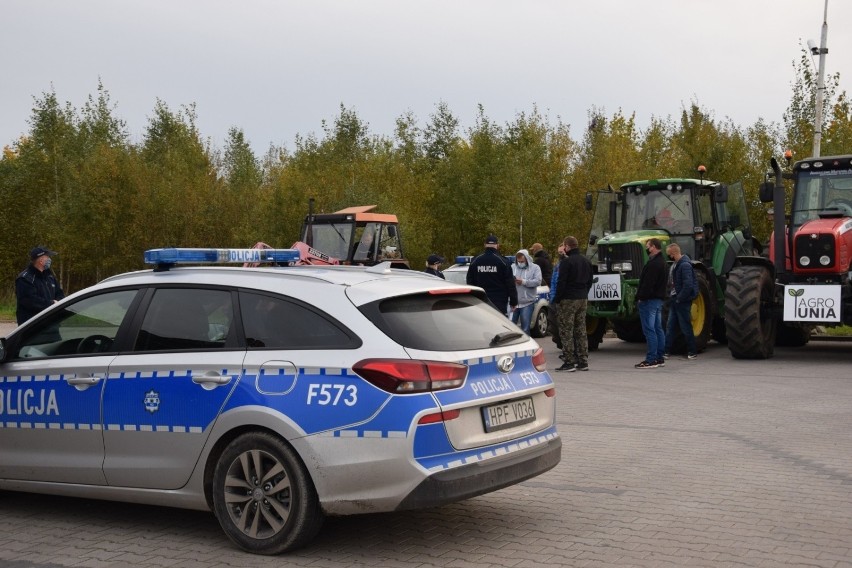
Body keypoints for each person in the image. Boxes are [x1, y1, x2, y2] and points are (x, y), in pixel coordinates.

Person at [553, 236, 593, 372]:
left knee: (566, 330)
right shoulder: (586, 261)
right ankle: (583, 360)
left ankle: (569, 361)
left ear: (567, 246)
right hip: (582, 297)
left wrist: (557, 299)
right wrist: (584, 293)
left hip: (568, 299)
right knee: (581, 330)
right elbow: (590, 281)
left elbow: (561, 282)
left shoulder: (567, 262)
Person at [635, 238, 668, 368]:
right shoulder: (663, 262)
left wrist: (640, 297)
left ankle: (651, 359)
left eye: (647, 246)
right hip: (658, 300)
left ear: (653, 247)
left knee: (650, 330)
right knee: (658, 329)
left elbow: (648, 284)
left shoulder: (653, 264)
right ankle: (659, 357)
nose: (646, 248)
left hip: (649, 300)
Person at [466, 234, 517, 316]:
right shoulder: (503, 261)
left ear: (485, 245)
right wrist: (514, 301)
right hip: (499, 301)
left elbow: (470, 281)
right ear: (497, 245)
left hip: (480, 300)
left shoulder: (475, 260)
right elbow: (510, 283)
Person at [664, 243, 699, 360]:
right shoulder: (675, 265)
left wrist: (680, 298)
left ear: (673, 254)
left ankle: (692, 351)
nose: (668, 256)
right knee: (670, 326)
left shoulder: (684, 265)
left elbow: (688, 285)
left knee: (685, 326)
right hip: (675, 300)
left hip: (681, 301)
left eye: (669, 254)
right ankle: (666, 351)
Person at [16, 246, 65, 325]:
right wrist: (52, 304)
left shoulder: (49, 276)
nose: (50, 259)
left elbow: (59, 293)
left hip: (51, 324)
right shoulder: (25, 278)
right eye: (48, 256)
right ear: (41, 260)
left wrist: (58, 303)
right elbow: (30, 301)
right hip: (33, 326)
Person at [511, 249, 542, 334]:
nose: (520, 263)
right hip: (513, 303)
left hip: (527, 302)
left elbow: (538, 281)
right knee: (510, 329)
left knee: (525, 329)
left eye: (522, 261)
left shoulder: (535, 268)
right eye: (519, 261)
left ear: (527, 259)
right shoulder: (513, 267)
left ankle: (527, 345)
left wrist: (524, 282)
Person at [549, 242, 566, 351]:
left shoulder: (568, 264)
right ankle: (562, 344)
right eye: (559, 252)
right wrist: (552, 297)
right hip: (556, 297)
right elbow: (554, 282)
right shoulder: (557, 265)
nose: (560, 254)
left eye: (562, 252)